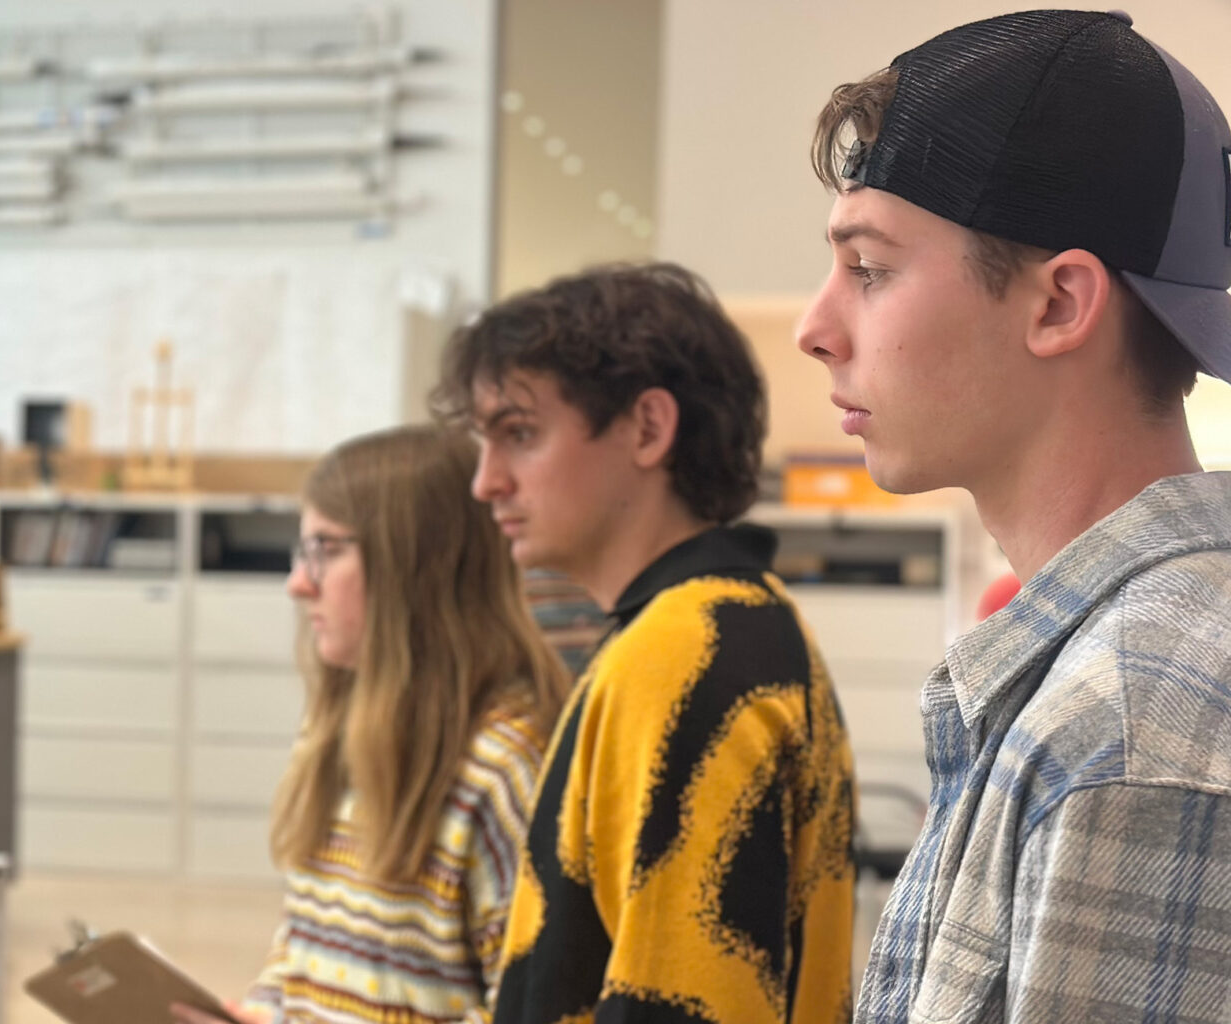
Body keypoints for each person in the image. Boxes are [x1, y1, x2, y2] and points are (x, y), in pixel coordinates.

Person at [798, 10, 1231, 1022]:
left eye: (870, 269)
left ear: (1060, 304)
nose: (817, 328)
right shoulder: (1094, 686)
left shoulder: (1127, 733)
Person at [435, 263, 857, 1024]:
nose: (486, 482)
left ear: (648, 428)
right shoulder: (734, 618)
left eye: (520, 435)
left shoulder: (684, 653)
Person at [173, 424, 570, 1024]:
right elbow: (303, 950)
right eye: (301, 552)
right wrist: (262, 1012)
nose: (298, 583)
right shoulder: (337, 728)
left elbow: (535, 1013)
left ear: (416, 568)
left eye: (326, 551)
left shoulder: (507, 767)